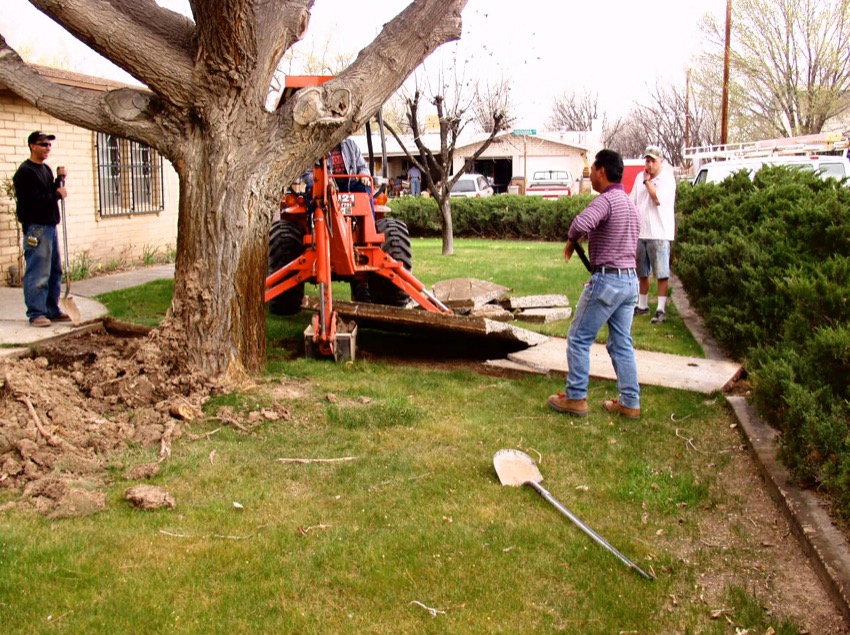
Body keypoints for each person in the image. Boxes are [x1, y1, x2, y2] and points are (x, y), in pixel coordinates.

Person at [547, 149, 641, 419]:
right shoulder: (630, 205)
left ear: (602, 171)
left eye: (593, 170)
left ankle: (576, 397)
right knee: (621, 343)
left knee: (578, 338)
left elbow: (580, 223)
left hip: (607, 281)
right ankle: (630, 402)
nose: (590, 176)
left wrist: (571, 239)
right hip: (630, 283)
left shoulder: (607, 200)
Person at [13, 131, 69, 327]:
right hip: (37, 228)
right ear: (32, 146)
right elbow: (33, 202)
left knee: (54, 270)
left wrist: (59, 180)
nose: (47, 148)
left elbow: (47, 192)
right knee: (38, 271)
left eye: (49, 145)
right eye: (43, 144)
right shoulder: (24, 173)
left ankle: (51, 309)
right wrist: (57, 195)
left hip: (50, 226)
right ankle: (36, 313)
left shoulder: (45, 169)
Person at [630, 145, 676, 324]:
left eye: (652, 161)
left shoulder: (666, 179)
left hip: (660, 232)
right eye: (647, 161)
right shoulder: (638, 178)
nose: (648, 165)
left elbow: (656, 199)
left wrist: (648, 182)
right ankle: (642, 305)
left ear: (660, 162)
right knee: (642, 271)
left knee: (661, 272)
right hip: (641, 232)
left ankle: (661, 308)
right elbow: (633, 201)